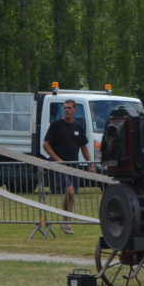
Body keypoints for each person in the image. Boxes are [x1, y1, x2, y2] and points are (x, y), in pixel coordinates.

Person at [42, 99, 95, 234]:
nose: (66, 110)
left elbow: (84, 147)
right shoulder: (56, 125)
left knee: (71, 195)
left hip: (74, 166)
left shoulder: (78, 126)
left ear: (74, 109)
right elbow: (46, 145)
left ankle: (66, 221)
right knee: (69, 191)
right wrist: (57, 159)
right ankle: (66, 222)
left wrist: (90, 163)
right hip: (60, 166)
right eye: (65, 108)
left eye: (69, 108)